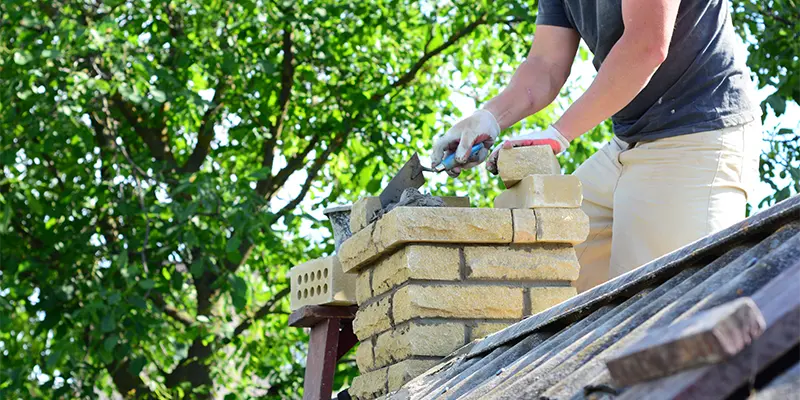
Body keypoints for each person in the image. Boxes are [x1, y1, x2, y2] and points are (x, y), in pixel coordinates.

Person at [431, 0, 761, 292]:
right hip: (628, 144)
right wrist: (488, 117)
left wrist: (558, 134)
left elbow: (646, 45)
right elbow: (545, 64)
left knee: (659, 312)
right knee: (538, 268)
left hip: (698, 138)